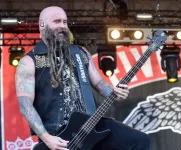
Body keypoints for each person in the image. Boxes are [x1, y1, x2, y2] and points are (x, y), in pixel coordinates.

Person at [15, 6, 150, 150]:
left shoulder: (80, 53)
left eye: (65, 22)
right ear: (42, 24)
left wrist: (114, 92)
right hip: (59, 134)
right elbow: (25, 105)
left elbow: (99, 83)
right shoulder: (30, 61)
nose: (62, 26)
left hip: (91, 125)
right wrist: (46, 138)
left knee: (140, 140)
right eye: (57, 21)